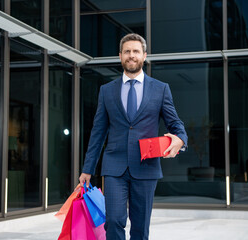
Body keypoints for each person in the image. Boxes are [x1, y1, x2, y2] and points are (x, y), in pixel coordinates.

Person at [78, 33, 187, 240]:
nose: (131, 55)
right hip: (114, 167)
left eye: (136, 51)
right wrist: (87, 169)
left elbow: (175, 123)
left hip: (146, 168)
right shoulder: (106, 91)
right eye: (127, 51)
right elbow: (98, 133)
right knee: (113, 221)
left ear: (144, 55)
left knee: (140, 226)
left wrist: (181, 139)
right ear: (120, 56)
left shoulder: (161, 89)